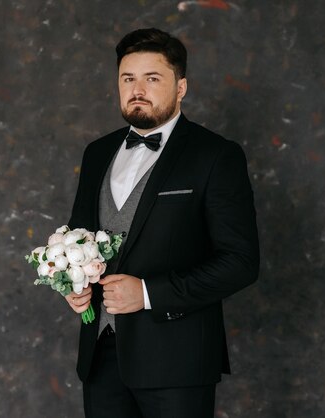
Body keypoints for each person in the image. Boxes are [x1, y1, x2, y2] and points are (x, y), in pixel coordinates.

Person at [64, 28, 260, 417]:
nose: (138, 89)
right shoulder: (97, 152)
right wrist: (74, 284)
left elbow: (240, 262)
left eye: (152, 78)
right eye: (128, 78)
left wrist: (149, 294)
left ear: (181, 86)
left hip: (178, 363)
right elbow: (79, 237)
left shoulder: (216, 155)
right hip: (101, 358)